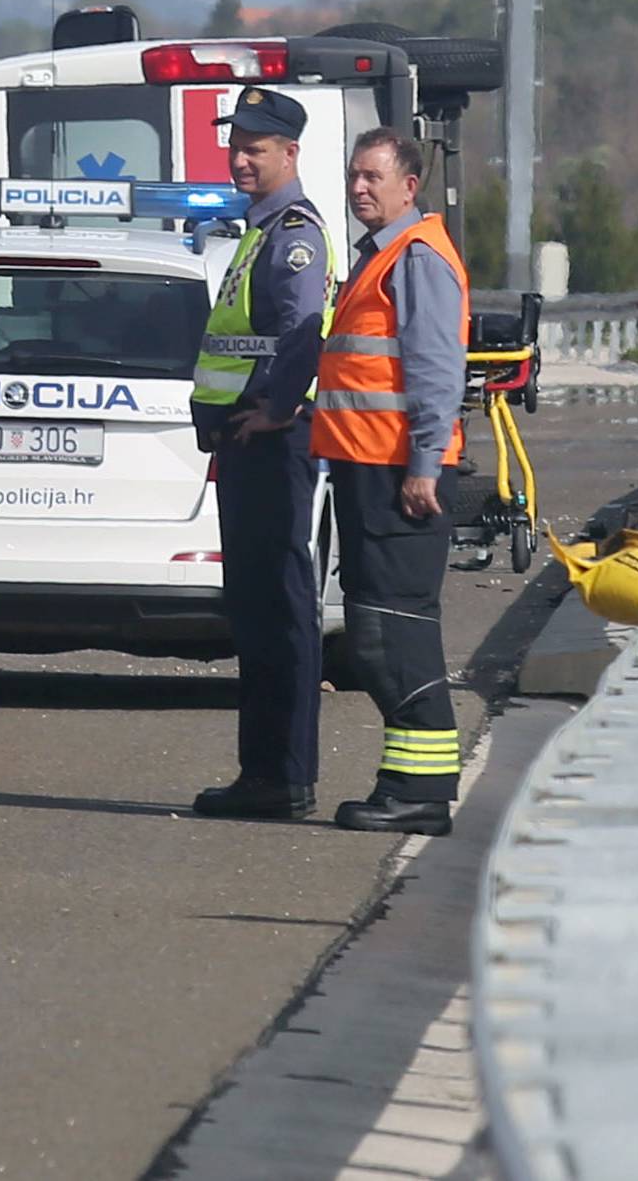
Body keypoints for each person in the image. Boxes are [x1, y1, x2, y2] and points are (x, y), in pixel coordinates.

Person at [313, 128, 470, 836]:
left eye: (373, 176)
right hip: (366, 467)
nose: (358, 188)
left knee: (394, 634)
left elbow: (437, 369)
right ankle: (412, 784)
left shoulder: (417, 259)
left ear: (411, 184)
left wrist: (425, 464)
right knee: (381, 631)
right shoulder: (379, 258)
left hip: (397, 474)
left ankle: (421, 789)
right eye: (353, 176)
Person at [189, 87, 337, 820]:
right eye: (236, 145)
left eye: (257, 148)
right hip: (248, 447)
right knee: (254, 610)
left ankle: (282, 774)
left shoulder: (295, 232)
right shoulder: (261, 229)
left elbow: (304, 329)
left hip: (273, 447)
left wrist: (276, 409)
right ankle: (264, 772)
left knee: (279, 608)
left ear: (290, 154)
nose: (241, 158)